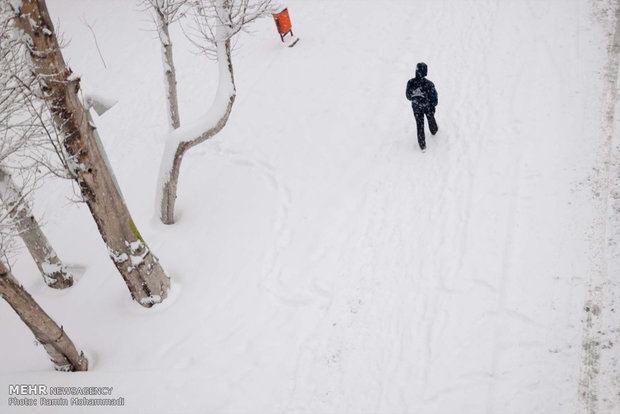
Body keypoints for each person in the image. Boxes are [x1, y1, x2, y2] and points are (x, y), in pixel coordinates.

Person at [406, 62, 438, 152]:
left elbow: (408, 96)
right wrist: (433, 104)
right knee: (430, 118)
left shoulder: (410, 82)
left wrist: (415, 98)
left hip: (416, 107)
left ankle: (422, 144)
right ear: (425, 72)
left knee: (419, 125)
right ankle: (434, 130)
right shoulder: (429, 84)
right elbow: (434, 97)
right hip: (427, 106)